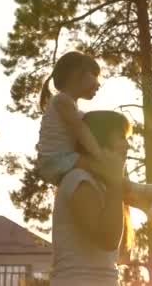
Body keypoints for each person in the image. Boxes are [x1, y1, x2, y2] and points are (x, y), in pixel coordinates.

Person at [37, 51, 152, 217]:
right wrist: (98, 154)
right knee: (107, 170)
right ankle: (143, 190)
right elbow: (80, 130)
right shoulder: (62, 101)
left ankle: (147, 207)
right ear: (76, 74)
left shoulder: (69, 105)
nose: (98, 83)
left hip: (63, 159)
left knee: (109, 179)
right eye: (94, 75)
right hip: (56, 161)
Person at [51, 110, 138, 286]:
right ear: (97, 141)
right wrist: (115, 183)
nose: (127, 146)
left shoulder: (102, 186)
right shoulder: (79, 180)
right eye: (121, 138)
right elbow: (108, 240)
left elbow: (118, 253)